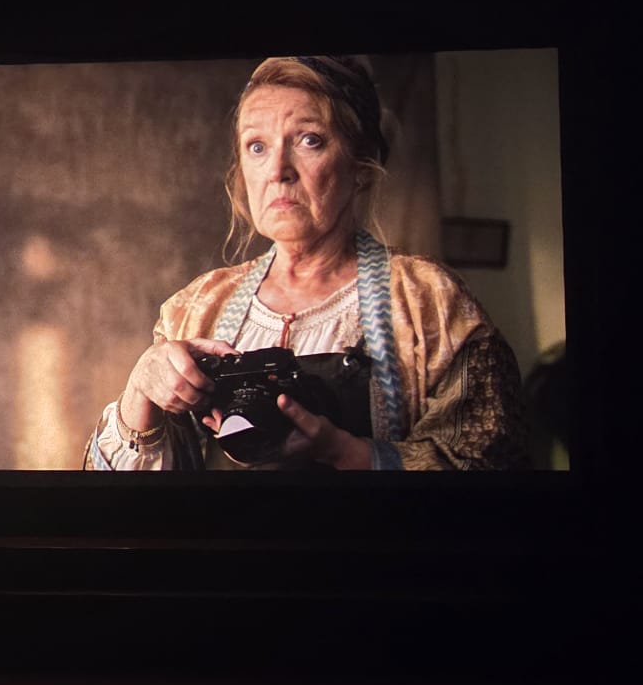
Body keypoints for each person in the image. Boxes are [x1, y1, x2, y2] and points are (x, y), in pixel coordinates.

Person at [84, 56, 527, 471]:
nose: (278, 169)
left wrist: (348, 453)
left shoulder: (430, 301)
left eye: (309, 140)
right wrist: (140, 391)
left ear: (360, 165)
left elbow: (492, 460)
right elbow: (123, 502)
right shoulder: (195, 308)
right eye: (257, 146)